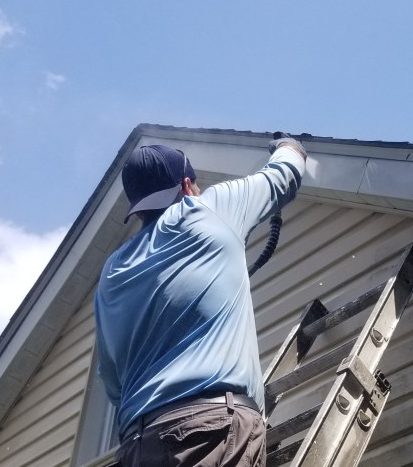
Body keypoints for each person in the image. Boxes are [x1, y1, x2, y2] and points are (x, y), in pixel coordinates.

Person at [94, 136, 307, 467]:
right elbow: (284, 175)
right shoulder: (210, 209)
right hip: (210, 430)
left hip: (137, 445)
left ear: (137, 209)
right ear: (186, 185)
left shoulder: (112, 272)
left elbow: (113, 382)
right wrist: (290, 145)